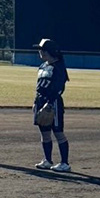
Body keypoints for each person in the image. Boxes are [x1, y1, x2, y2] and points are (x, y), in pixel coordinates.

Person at [32, 38, 71, 172]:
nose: (39, 52)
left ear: (47, 52)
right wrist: (35, 103)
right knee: (45, 133)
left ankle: (64, 163)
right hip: (40, 101)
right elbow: (39, 87)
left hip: (52, 102)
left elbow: (59, 88)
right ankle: (47, 160)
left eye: (41, 49)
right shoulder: (43, 66)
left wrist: (49, 104)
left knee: (58, 132)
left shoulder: (59, 67)